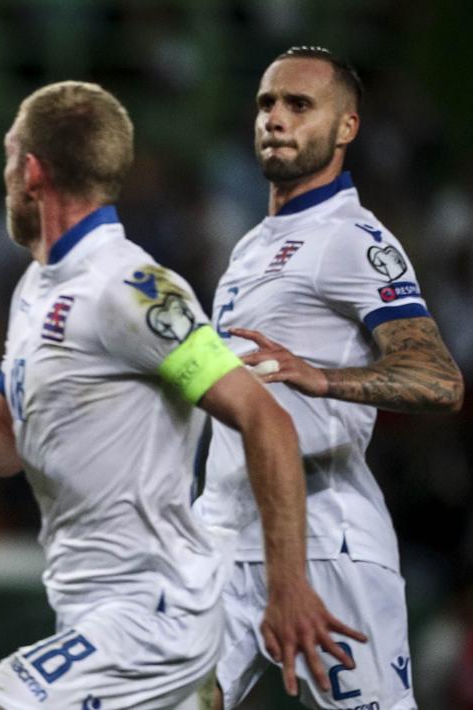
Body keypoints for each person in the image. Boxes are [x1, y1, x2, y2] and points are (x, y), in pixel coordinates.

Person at [0, 80, 360, 710]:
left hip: (150, 615)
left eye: (10, 157)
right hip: (89, 611)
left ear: (32, 169)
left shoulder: (132, 288)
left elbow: (265, 419)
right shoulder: (35, 288)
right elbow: (4, 441)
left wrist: (287, 587)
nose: (7, 176)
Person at [195, 46, 464, 709]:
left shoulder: (351, 238)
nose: (275, 119)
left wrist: (323, 377)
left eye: (298, 105)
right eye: (265, 103)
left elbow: (437, 379)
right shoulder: (249, 247)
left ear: (345, 128)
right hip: (222, 543)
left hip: (326, 544)